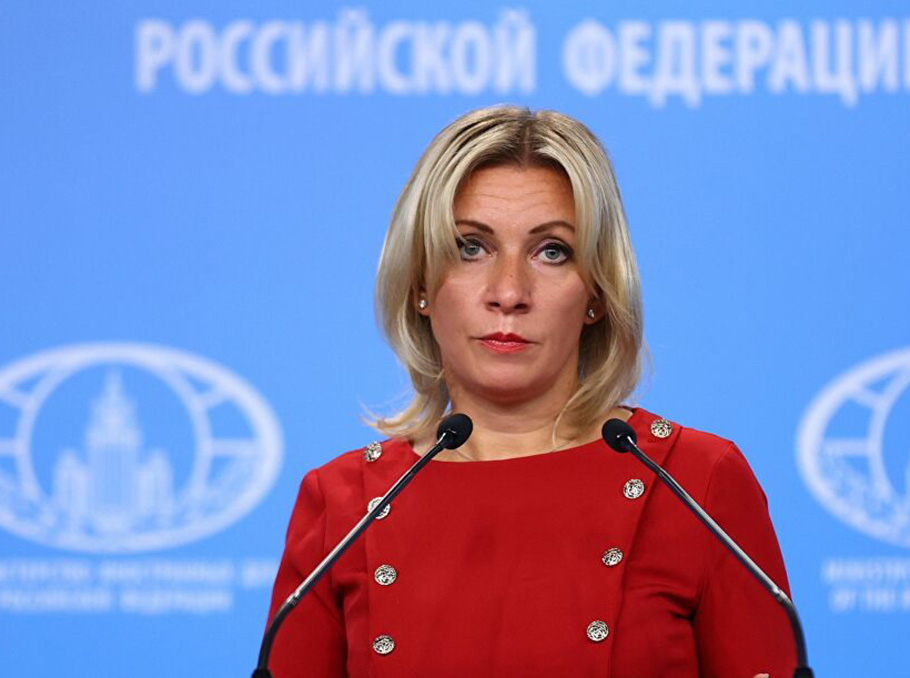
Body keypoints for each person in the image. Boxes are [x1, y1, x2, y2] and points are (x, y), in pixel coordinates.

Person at [265, 106, 796, 677]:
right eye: (470, 247)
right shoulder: (343, 504)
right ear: (419, 284)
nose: (509, 292)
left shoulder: (697, 481)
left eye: (552, 251)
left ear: (597, 293)